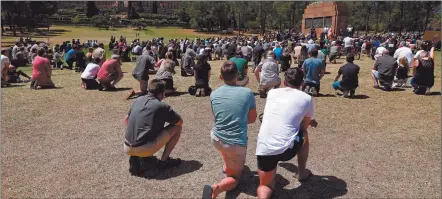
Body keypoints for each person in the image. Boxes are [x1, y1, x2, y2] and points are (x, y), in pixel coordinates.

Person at [255, 68, 315, 199]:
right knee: (305, 135)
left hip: (264, 147)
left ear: (283, 82)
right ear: (301, 83)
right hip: (287, 149)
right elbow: (303, 128)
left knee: (265, 186)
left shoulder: (271, 93)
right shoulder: (307, 98)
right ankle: (301, 172)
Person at [202, 61, 257, 199]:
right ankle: (216, 189)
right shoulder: (247, 93)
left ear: (221, 77)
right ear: (237, 76)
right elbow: (252, 119)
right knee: (234, 178)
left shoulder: (214, 94)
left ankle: (228, 165)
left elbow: (218, 116)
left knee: (226, 149)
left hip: (216, 138)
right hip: (235, 143)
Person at [124, 79, 184, 176]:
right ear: (162, 93)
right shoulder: (162, 106)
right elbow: (180, 122)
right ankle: (163, 162)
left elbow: (126, 119)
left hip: (127, 146)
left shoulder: (138, 99)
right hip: (143, 148)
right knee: (177, 128)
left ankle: (137, 156)